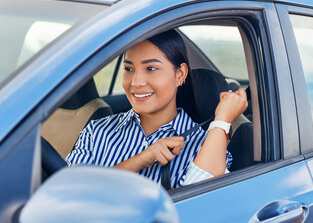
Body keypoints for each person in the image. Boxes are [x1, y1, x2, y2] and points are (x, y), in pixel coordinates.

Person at [66, 29, 248, 189]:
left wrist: (222, 120)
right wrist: (140, 160)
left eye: (151, 68)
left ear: (180, 74)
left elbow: (199, 207)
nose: (136, 82)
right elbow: (67, 194)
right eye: (128, 69)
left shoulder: (204, 146)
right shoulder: (96, 131)